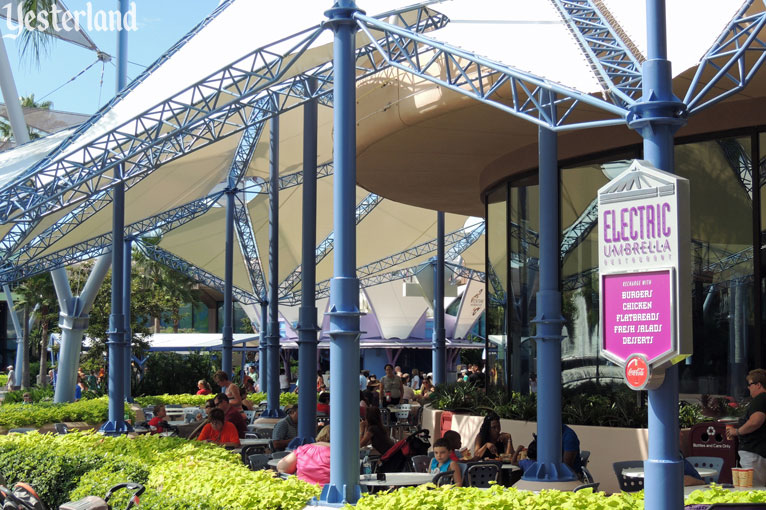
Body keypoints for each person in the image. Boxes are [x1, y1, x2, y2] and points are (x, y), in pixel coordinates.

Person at [727, 368, 766, 486]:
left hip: (754, 452)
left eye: (750, 384)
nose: (748, 388)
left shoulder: (760, 399)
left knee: (753, 490)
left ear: (758, 385)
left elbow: (755, 421)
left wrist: (737, 431)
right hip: (759, 452)